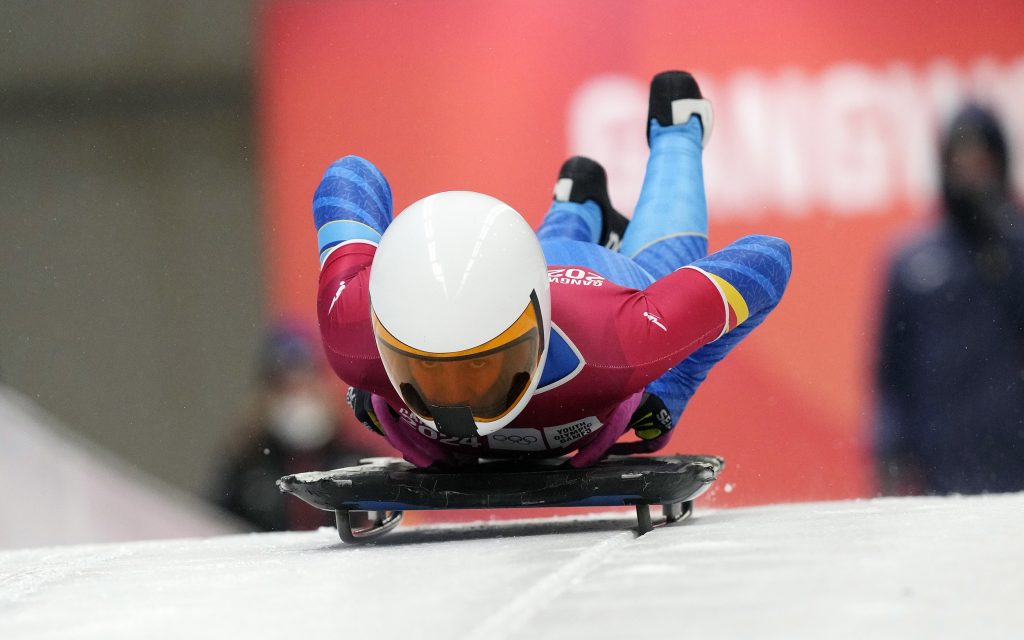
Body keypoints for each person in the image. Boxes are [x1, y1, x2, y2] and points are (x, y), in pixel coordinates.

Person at [313, 71, 792, 468]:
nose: (458, 404)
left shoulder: (619, 337)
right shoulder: (352, 331)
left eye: (482, 366)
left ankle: (675, 132)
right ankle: (578, 203)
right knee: (553, 248)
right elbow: (348, 173)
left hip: (606, 283)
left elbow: (769, 258)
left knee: (664, 264)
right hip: (556, 285)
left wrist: (672, 382)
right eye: (424, 370)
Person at [875, 104, 1024, 495]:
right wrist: (889, 449)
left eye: (982, 158)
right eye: (962, 158)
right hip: (941, 466)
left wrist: (1007, 244)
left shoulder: (1019, 248)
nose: (972, 170)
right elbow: (890, 370)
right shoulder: (911, 260)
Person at [213, 324, 367, 530]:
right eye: (286, 387)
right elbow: (213, 523)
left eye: (307, 384)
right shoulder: (245, 465)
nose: (298, 397)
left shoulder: (355, 459)